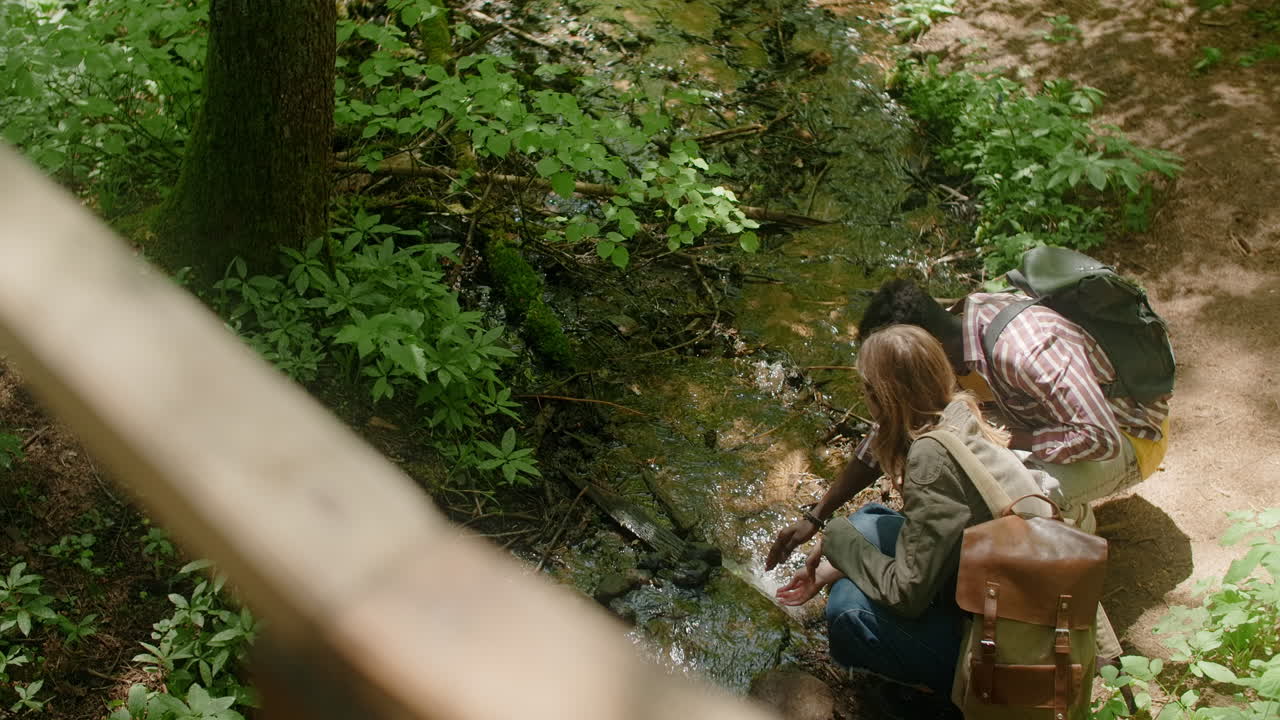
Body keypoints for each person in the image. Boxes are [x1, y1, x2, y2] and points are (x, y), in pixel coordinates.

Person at [765, 278, 1170, 572]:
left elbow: (1099, 438)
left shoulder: (1025, 348)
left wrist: (1008, 443)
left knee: (993, 498)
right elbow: (887, 430)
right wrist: (816, 516)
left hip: (1127, 436)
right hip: (1049, 420)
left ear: (923, 354)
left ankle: (1074, 543)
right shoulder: (952, 342)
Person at [775, 324, 1055, 716]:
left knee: (848, 610)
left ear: (882, 397)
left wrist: (835, 535)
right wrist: (828, 551)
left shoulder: (931, 461)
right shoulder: (955, 411)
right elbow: (878, 442)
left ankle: (941, 698)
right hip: (1013, 602)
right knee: (870, 519)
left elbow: (905, 595)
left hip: (1005, 651)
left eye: (867, 391)